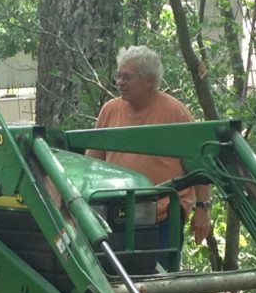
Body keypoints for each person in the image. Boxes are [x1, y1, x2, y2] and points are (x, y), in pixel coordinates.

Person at [85, 45, 212, 248]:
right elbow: (90, 163)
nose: (120, 83)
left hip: (162, 215)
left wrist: (203, 210)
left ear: (149, 81)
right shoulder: (109, 110)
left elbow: (200, 166)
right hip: (115, 215)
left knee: (159, 277)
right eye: (118, 77)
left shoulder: (175, 113)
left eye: (127, 77)